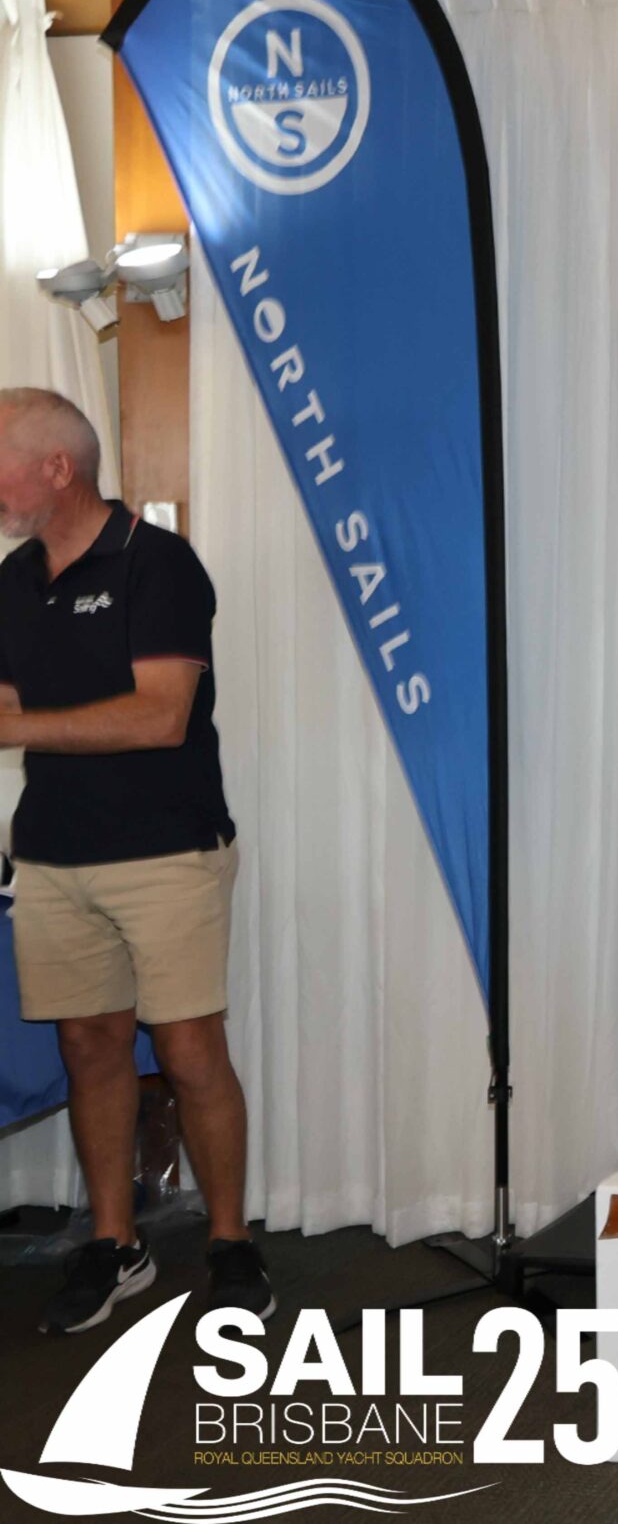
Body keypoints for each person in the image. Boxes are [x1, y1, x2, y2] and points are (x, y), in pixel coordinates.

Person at [0, 388, 271, 1334]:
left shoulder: (159, 562)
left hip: (166, 850)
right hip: (52, 851)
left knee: (191, 1050)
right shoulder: (12, 578)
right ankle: (116, 1244)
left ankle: (231, 1241)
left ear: (56, 467)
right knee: (88, 1046)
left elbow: (161, 716)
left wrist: (20, 726)